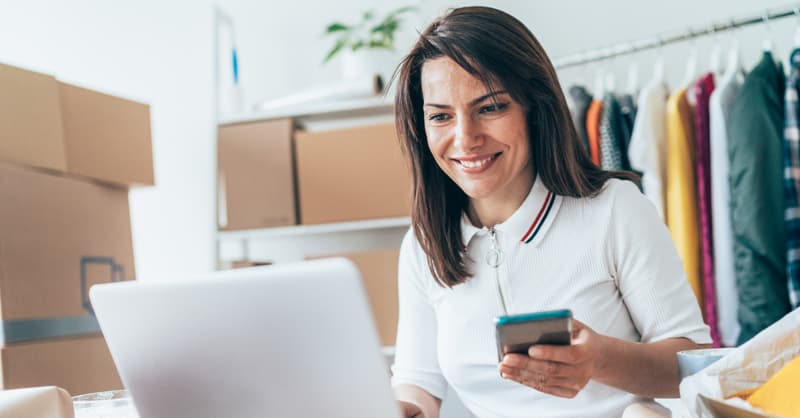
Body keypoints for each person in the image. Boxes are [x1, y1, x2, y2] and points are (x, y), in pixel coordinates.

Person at [390, 6, 711, 418]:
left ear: (533, 107)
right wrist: (405, 406)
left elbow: (695, 364)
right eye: (440, 116)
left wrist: (601, 360)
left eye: (490, 108)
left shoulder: (614, 209)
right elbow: (418, 381)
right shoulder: (424, 245)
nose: (465, 138)